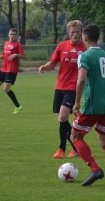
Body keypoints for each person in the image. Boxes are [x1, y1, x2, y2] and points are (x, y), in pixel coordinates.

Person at [71, 24, 105, 187]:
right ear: (98, 37)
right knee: (104, 141)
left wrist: (77, 102)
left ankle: (95, 169)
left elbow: (81, 79)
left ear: (85, 38)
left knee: (75, 136)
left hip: (92, 105)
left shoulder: (84, 56)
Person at [38, 20, 86, 159]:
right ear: (68, 33)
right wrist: (45, 67)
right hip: (59, 87)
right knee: (61, 121)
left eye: (77, 31)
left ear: (81, 32)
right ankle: (76, 146)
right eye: (72, 32)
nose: (75, 34)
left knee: (63, 116)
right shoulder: (62, 46)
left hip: (73, 88)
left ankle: (62, 147)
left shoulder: (85, 48)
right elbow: (53, 63)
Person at [0, 28, 24, 114]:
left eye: (14, 34)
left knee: (6, 88)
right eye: (11, 34)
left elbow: (23, 56)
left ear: (16, 36)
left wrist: (16, 55)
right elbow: (3, 55)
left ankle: (18, 106)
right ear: (8, 35)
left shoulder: (18, 44)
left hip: (12, 70)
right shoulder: (6, 43)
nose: (12, 36)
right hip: (3, 68)